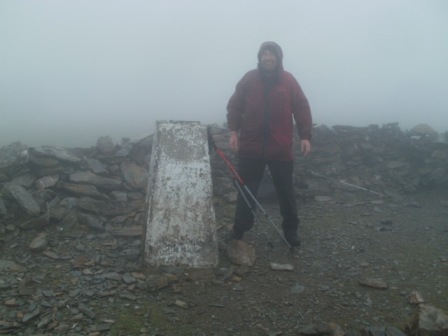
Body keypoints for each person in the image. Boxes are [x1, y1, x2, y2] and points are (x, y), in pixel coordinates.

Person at [226, 41, 312, 247]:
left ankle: (291, 231)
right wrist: (233, 132)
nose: (268, 58)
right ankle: (239, 231)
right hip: (250, 147)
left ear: (279, 58)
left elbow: (301, 107)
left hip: (280, 148)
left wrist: (305, 136)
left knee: (286, 192)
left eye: (272, 54)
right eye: (264, 54)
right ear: (260, 57)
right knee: (246, 191)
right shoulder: (249, 79)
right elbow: (235, 105)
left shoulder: (289, 81)